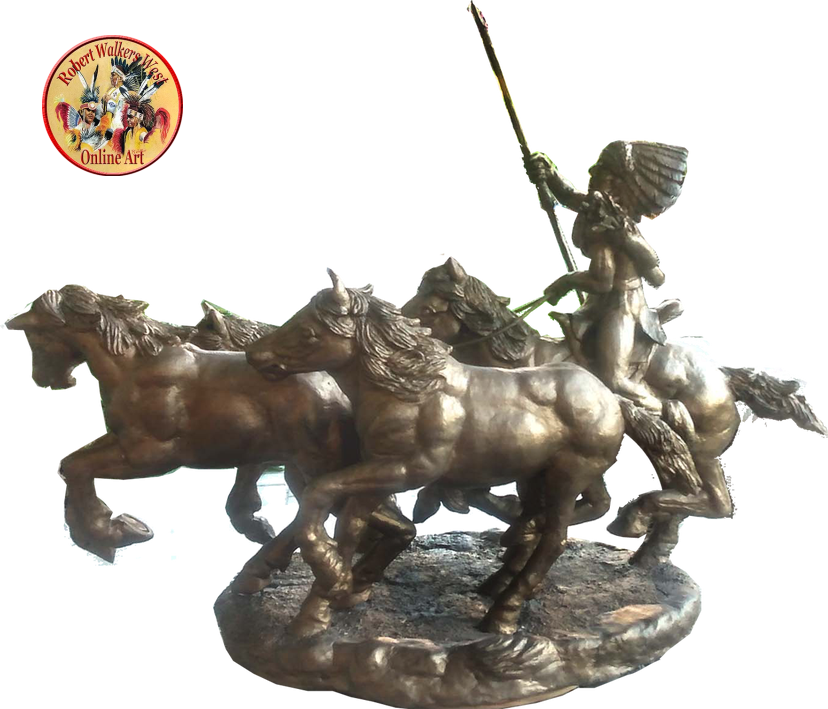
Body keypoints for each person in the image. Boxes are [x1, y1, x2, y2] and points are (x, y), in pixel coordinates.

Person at [526, 140, 689, 410]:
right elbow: (568, 195)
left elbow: (603, 281)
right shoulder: (597, 207)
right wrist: (549, 172)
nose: (591, 171)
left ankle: (663, 411)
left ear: (614, 183)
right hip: (600, 303)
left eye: (600, 169)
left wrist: (565, 282)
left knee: (613, 378)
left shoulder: (611, 227)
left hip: (622, 307)